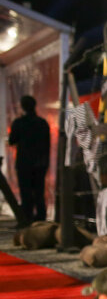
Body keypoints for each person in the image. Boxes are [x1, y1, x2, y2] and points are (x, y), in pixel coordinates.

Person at [8, 95, 51, 226]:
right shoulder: (42, 123)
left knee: (25, 192)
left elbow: (12, 140)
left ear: (23, 107)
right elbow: (47, 143)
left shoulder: (19, 123)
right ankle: (41, 218)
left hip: (24, 163)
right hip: (40, 163)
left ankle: (27, 218)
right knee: (39, 192)